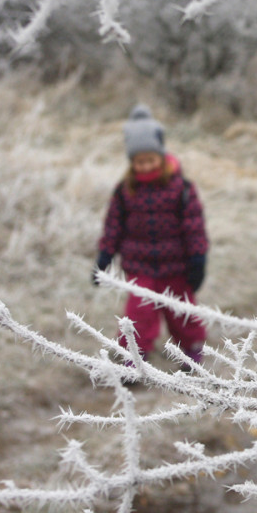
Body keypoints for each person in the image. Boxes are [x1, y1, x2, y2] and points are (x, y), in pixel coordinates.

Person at [93, 104, 209, 371]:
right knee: (137, 316)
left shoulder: (181, 188)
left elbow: (194, 226)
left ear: (161, 156)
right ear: (132, 162)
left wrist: (198, 258)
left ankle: (191, 351)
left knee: (182, 313)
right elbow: (113, 225)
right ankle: (132, 359)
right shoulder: (125, 191)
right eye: (139, 161)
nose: (145, 166)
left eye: (150, 160)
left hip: (176, 267)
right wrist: (105, 255)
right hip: (140, 267)